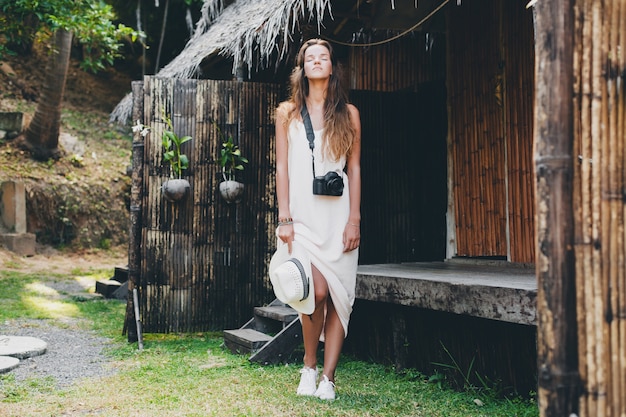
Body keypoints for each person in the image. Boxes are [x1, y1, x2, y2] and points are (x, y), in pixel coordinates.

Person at [274, 38, 361, 401]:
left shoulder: (350, 113)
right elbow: (281, 166)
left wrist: (354, 219)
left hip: (338, 217)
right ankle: (308, 365)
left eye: (323, 57)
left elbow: (354, 169)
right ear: (302, 68)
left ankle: (328, 378)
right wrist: (284, 216)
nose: (317, 61)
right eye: (310, 57)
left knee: (340, 297)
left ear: (332, 66)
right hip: (303, 218)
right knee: (316, 291)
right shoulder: (286, 113)